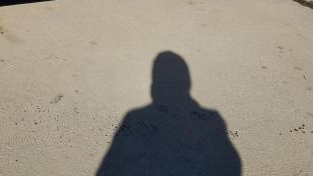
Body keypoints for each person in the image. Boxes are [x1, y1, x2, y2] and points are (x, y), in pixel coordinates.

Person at [97, 52, 241, 175]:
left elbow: (109, 168)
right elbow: (232, 164)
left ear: (153, 85)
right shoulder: (212, 120)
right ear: (187, 83)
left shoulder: (135, 118)